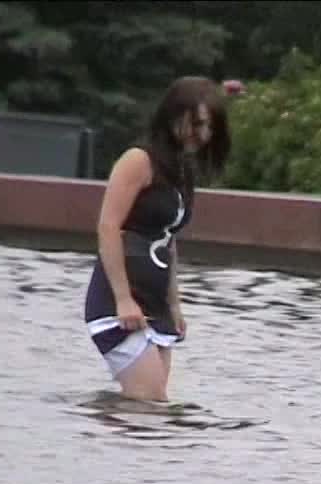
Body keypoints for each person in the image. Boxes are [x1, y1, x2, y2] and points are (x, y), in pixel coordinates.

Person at [84, 76, 231, 402]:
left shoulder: (180, 170)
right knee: (148, 401)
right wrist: (123, 298)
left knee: (152, 406)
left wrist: (174, 304)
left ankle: (102, 425)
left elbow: (168, 240)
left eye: (209, 127)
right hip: (118, 303)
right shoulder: (138, 160)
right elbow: (108, 226)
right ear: (173, 114)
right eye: (196, 124)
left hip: (154, 305)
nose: (203, 134)